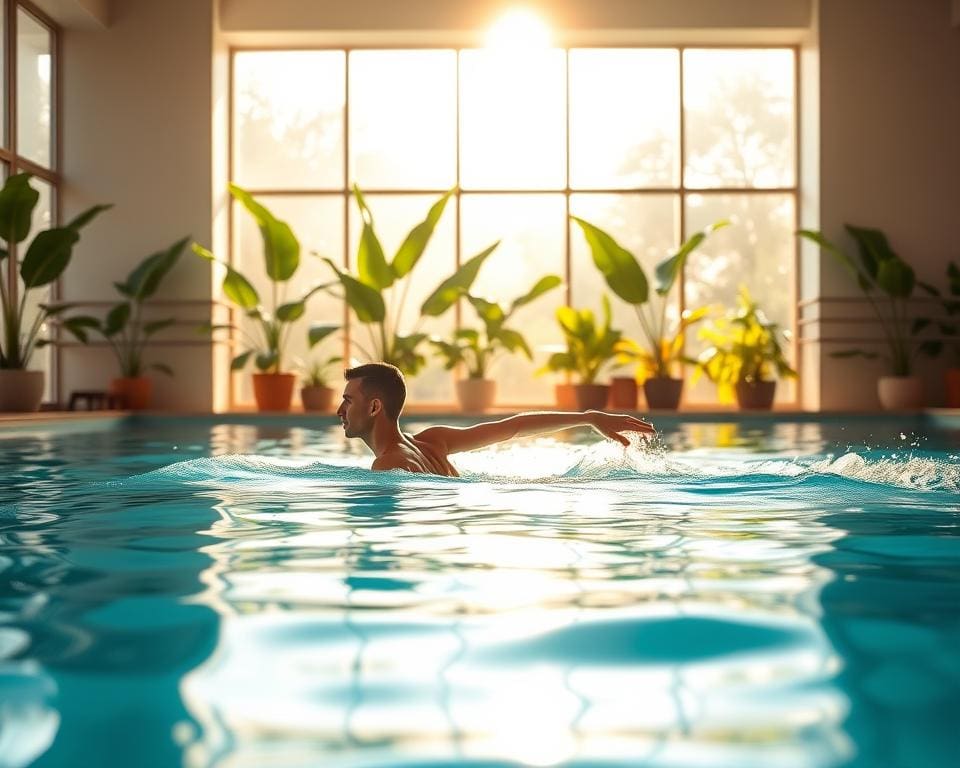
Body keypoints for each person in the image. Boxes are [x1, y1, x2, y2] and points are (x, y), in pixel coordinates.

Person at [336, 362, 656, 477]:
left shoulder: (389, 466)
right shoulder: (433, 441)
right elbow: (511, 428)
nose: (340, 411)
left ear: (375, 407)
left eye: (348, 401)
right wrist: (587, 417)